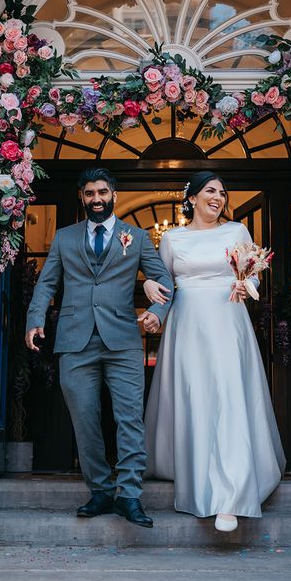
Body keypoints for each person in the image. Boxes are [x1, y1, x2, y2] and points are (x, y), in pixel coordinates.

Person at [25, 167, 173, 528]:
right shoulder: (64, 238)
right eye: (89, 193)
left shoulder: (135, 237)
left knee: (129, 419)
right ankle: (101, 491)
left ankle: (130, 496)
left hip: (122, 340)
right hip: (75, 341)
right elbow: (47, 283)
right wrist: (35, 318)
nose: (96, 199)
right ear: (82, 196)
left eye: (102, 192)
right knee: (85, 419)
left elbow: (165, 278)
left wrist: (156, 310)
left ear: (113, 196)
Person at [142, 171, 285, 532]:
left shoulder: (237, 231)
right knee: (195, 399)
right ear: (191, 198)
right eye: (210, 191)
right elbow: (163, 281)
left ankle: (231, 496)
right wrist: (146, 283)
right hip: (187, 326)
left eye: (222, 192)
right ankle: (193, 473)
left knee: (228, 396)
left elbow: (252, 274)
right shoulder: (172, 238)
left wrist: (245, 285)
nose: (218, 197)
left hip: (227, 320)